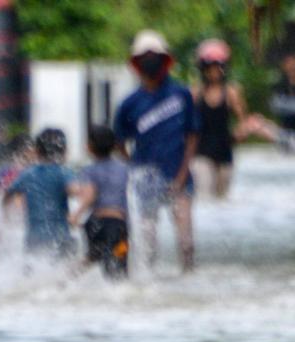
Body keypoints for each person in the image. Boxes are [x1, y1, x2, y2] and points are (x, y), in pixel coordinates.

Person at [113, 30, 200, 272]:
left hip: (180, 178)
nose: (151, 61)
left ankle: (189, 280)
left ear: (165, 60)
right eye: (146, 57)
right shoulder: (130, 103)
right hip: (145, 180)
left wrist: (182, 175)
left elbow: (192, 135)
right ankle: (149, 290)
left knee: (186, 242)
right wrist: (134, 166)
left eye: (155, 56)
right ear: (137, 63)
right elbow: (119, 140)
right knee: (147, 244)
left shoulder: (181, 94)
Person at [3, 128, 77, 259]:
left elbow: (8, 194)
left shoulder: (27, 173)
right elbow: (75, 190)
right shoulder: (64, 172)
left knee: (33, 271)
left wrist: (6, 216)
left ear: (36, 151)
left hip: (34, 239)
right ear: (65, 151)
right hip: (60, 237)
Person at [190, 39, 250, 198]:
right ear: (203, 68)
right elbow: (185, 121)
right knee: (204, 194)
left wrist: (240, 133)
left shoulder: (231, 92)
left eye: (218, 66)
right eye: (210, 67)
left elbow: (243, 120)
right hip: (201, 151)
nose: (215, 71)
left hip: (225, 151)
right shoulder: (195, 93)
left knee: (221, 198)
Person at [70, 125, 131, 278]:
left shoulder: (89, 170)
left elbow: (89, 194)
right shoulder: (124, 168)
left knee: (94, 255)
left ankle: (66, 280)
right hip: (118, 225)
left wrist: (76, 214)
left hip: (96, 224)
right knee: (118, 268)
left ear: (89, 147)